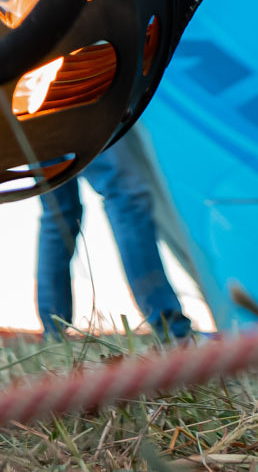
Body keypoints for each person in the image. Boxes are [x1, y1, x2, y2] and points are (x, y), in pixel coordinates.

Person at [37, 132, 194, 340]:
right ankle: (171, 328)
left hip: (20, 107)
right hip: (73, 106)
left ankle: (53, 335)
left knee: (59, 211)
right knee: (125, 194)